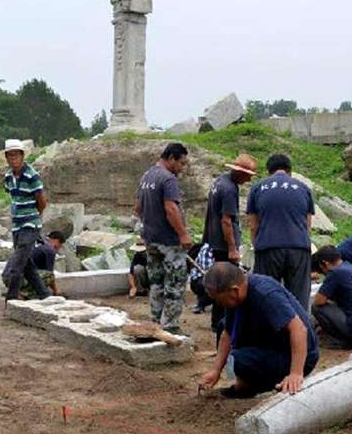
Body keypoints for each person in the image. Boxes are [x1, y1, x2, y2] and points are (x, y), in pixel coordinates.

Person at [201, 263, 319, 398]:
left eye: (219, 300)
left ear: (234, 290)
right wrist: (215, 371)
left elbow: (299, 329)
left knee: (239, 360)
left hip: (298, 355)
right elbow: (227, 334)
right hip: (273, 343)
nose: (218, 304)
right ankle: (245, 383)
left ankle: (252, 386)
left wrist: (295, 373)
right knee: (224, 326)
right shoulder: (237, 295)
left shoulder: (265, 294)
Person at [135, 142, 194, 334]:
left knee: (157, 283)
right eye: (181, 163)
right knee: (175, 285)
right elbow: (171, 208)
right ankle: (170, 326)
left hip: (151, 240)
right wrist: (183, 234)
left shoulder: (147, 176)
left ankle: (156, 322)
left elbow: (138, 208)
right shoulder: (168, 179)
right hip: (169, 242)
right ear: (171, 158)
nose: (182, 168)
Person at [246, 154, 314, 310]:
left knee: (266, 295)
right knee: (298, 299)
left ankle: (269, 332)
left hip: (268, 247)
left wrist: (257, 246)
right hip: (299, 248)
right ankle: (299, 331)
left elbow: (253, 226)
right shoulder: (304, 188)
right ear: (290, 170)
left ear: (269, 171)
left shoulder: (257, 188)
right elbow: (307, 226)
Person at [3, 139, 53, 301]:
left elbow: (42, 202)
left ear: (22, 156)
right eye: (10, 156)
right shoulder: (8, 177)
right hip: (17, 226)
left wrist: (32, 217)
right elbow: (14, 198)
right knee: (27, 265)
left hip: (30, 224)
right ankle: (44, 294)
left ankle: (11, 298)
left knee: (17, 265)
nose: (13, 159)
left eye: (16, 155)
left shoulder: (32, 176)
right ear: (6, 158)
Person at [203, 154, 257, 263]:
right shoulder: (229, 190)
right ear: (241, 173)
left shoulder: (220, 181)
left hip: (213, 241)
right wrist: (232, 249)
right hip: (223, 246)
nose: (249, 179)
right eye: (248, 175)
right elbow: (226, 221)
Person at [310, 246, 352, 349]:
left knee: (316, 308)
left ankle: (342, 341)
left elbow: (319, 301)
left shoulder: (335, 273)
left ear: (325, 263)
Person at [3, 230, 65, 299]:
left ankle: (16, 291)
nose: (59, 248)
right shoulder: (49, 250)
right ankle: (25, 294)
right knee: (49, 276)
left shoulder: (35, 243)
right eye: (60, 245)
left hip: (7, 277)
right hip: (18, 278)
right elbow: (50, 275)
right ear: (57, 241)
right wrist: (56, 291)